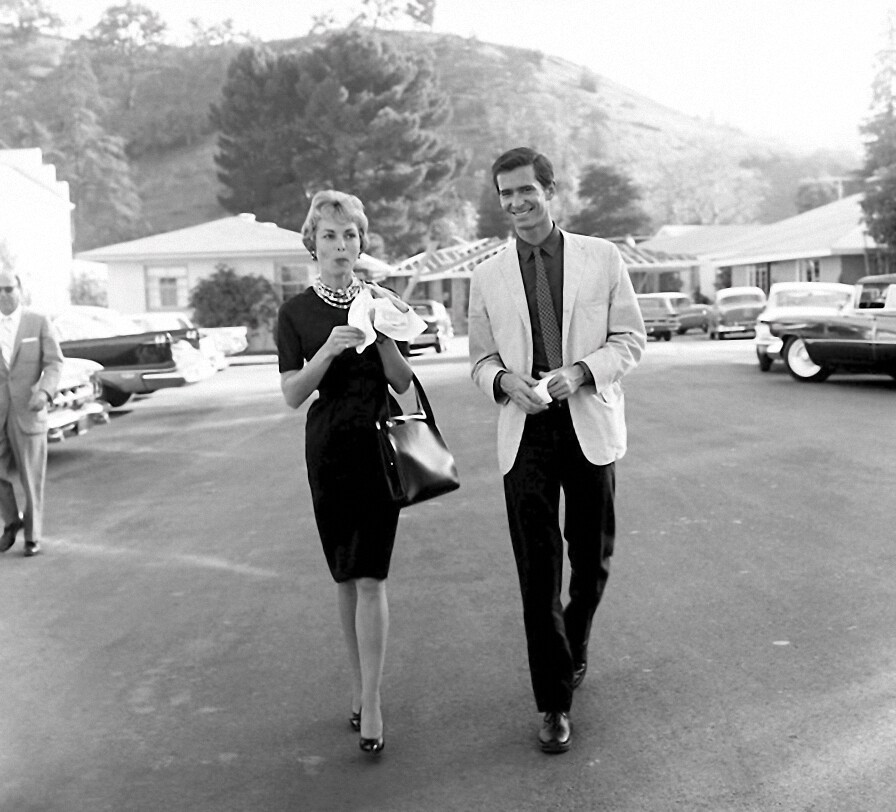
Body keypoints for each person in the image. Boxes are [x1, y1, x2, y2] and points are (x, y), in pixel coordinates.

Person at [468, 147, 646, 754]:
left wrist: (581, 371)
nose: (517, 202)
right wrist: (502, 380)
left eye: (526, 190)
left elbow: (630, 340)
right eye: (506, 193)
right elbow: (480, 359)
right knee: (537, 569)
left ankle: (575, 639)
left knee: (591, 561)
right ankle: (552, 702)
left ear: (549, 191)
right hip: (526, 431)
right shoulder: (488, 275)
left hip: (588, 421)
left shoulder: (602, 258)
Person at [277, 190, 413, 755]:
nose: (340, 245)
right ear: (313, 244)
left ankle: (373, 700)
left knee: (372, 576)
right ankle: (357, 686)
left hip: (378, 446)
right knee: (345, 575)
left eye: (350, 235)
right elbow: (292, 393)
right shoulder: (296, 313)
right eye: (329, 235)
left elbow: (401, 381)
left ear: (361, 243)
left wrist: (382, 331)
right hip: (329, 450)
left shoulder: (381, 300)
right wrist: (328, 351)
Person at [0, 271, 64, 558]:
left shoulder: (37, 321)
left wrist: (45, 392)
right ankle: (11, 521)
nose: (3, 295)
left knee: (31, 476)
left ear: (20, 289)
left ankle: (32, 536)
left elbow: (54, 363)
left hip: (29, 409)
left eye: (8, 289)